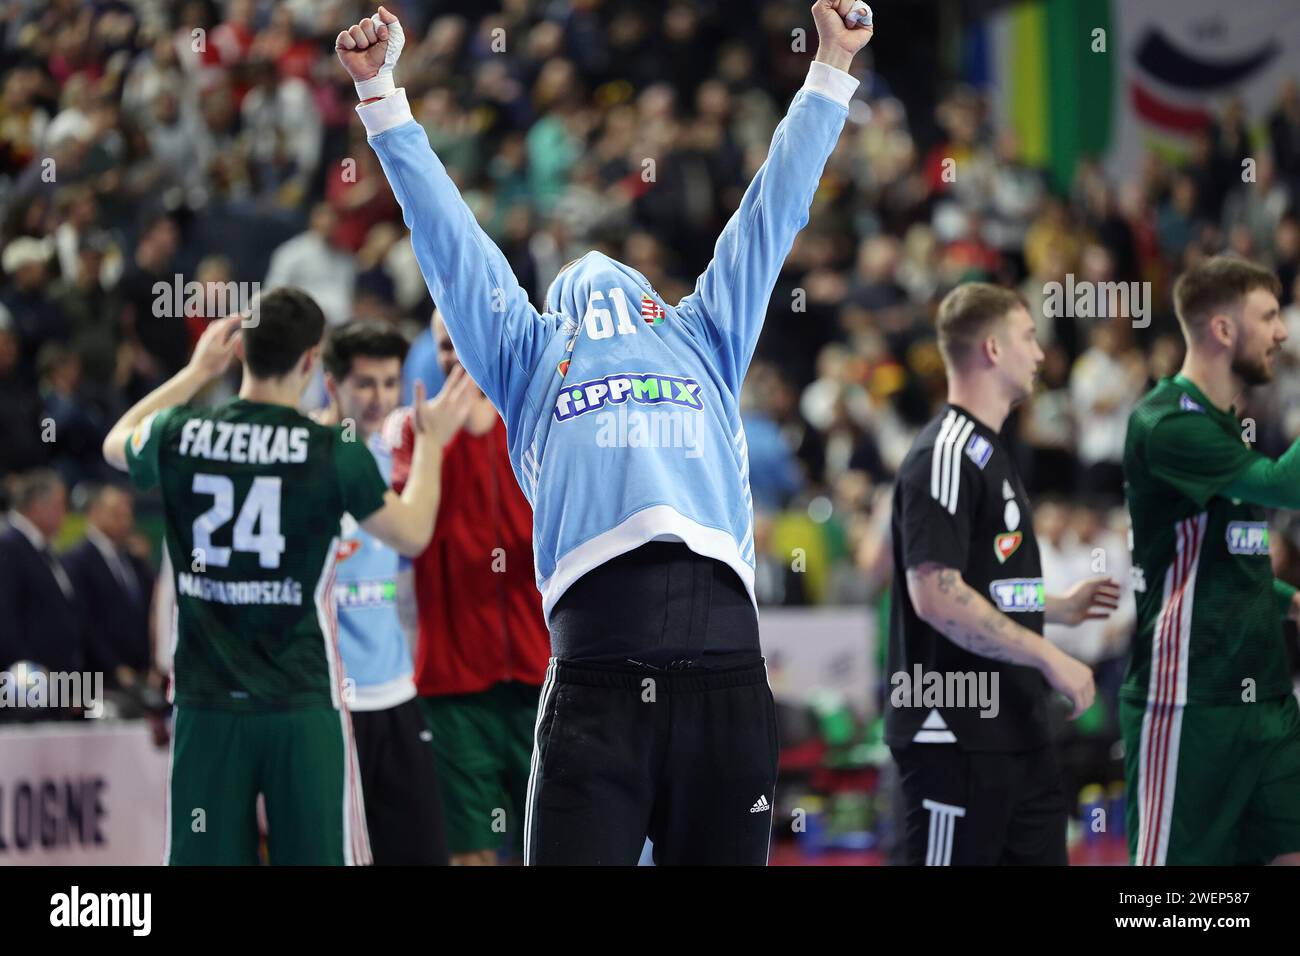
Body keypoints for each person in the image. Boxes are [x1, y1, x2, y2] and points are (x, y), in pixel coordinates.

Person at [336, 1, 874, 864]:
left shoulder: (704, 331)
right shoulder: (529, 351)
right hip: (600, 674)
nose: (603, 280)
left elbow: (774, 212)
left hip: (723, 676)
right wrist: (382, 98)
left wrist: (831, 71)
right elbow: (451, 244)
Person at [102, 287, 455, 865]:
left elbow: (116, 442)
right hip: (301, 701)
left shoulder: (180, 434)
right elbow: (413, 532)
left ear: (239, 352)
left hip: (206, 702)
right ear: (313, 361)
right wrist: (434, 446)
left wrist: (195, 374)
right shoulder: (329, 450)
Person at [887, 282, 1120, 866]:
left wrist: (1056, 605)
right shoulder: (944, 452)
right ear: (992, 349)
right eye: (1028, 337)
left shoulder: (991, 451)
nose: (1040, 353)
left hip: (1019, 730)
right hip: (954, 736)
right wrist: (1048, 653)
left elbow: (982, 584)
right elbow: (937, 595)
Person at [1122, 255, 1300, 865]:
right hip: (1190, 700)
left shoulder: (1228, 424)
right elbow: (1286, 486)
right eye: (1269, 316)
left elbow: (1230, 552)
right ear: (1223, 330)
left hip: (1266, 697)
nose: (1282, 332)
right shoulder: (1166, 422)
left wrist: (1289, 600)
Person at [389, 310, 551, 865]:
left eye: (464, 341)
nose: (455, 357)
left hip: (542, 676)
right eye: (443, 346)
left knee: (553, 847)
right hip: (454, 687)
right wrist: (435, 446)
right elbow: (409, 533)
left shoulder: (539, 424)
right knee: (470, 854)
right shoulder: (413, 434)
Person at [320, 321, 474, 865]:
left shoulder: (395, 461)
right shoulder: (305, 460)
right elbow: (414, 531)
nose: (379, 398)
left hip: (396, 696)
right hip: (328, 703)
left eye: (390, 382)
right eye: (365, 383)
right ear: (330, 381)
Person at [62, 483, 155, 692]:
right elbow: (84, 622)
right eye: (116, 513)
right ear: (94, 513)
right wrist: (114, 667)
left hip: (140, 674)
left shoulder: (133, 562)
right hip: (99, 678)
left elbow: (147, 613)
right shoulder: (76, 560)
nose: (126, 520)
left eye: (128, 513)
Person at [0, 469, 82, 678]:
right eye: (61, 505)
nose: (66, 513)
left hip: (55, 679)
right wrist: (28, 667)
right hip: (27, 683)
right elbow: (5, 617)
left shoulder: (41, 547)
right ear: (38, 505)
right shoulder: (8, 544)